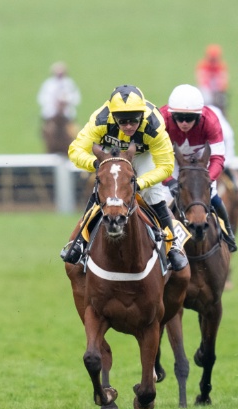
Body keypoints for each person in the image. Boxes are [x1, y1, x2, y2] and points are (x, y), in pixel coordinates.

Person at [61, 84, 187, 271]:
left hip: (143, 156)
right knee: (102, 190)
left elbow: (166, 166)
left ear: (142, 115)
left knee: (153, 192)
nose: (128, 126)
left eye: (134, 120)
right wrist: (97, 165)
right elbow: (75, 151)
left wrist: (140, 183)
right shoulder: (100, 120)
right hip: (112, 155)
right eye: (122, 121)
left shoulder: (154, 124)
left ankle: (172, 245)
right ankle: (80, 242)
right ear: (113, 116)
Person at [159, 83, 237, 252]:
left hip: (200, 162)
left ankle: (228, 232)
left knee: (213, 193)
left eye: (190, 118)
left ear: (200, 116)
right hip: (170, 161)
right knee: (163, 198)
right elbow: (155, 159)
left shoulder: (211, 121)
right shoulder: (160, 120)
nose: (184, 123)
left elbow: (217, 157)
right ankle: (160, 239)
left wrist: (207, 178)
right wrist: (168, 180)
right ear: (171, 115)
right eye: (179, 117)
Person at [37, 62, 82, 154]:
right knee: (46, 129)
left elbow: (76, 97)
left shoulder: (69, 84)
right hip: (52, 115)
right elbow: (42, 98)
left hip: (66, 115)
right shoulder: (49, 84)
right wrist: (54, 104)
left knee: (74, 130)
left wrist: (66, 102)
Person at [195, 44, 229, 112]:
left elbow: (223, 80)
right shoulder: (203, 65)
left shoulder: (221, 66)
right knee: (206, 99)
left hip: (217, 91)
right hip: (206, 90)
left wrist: (219, 90)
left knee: (222, 101)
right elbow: (201, 81)